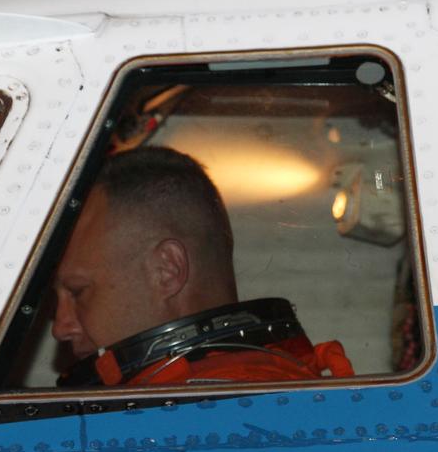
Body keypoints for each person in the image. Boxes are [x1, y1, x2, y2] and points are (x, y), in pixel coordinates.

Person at [51, 147, 352, 386]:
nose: (60, 328)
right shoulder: (267, 389)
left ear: (166, 270)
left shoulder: (198, 414)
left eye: (78, 292)